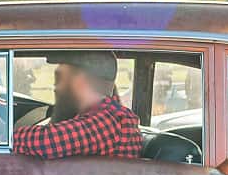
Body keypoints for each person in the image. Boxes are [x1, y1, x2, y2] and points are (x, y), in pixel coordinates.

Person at [11, 51, 143, 159]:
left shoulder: (108, 121)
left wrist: (4, 137)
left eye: (60, 79)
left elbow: (45, 142)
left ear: (79, 82)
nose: (55, 88)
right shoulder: (99, 117)